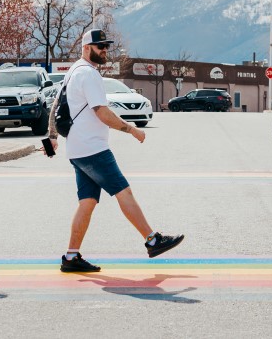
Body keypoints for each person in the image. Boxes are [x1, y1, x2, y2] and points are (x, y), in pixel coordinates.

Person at [47, 29, 184, 272]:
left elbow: (57, 104)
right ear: (86, 47)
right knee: (124, 192)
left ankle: (71, 257)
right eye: (100, 47)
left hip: (78, 150)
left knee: (87, 202)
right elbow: (102, 112)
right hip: (93, 149)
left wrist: (53, 137)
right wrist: (132, 130)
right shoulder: (88, 74)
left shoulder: (74, 71)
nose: (105, 51)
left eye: (107, 47)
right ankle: (152, 240)